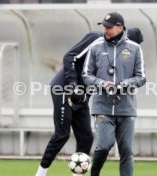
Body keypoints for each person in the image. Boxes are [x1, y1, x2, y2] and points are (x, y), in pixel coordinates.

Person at [35, 26, 144, 176]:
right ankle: (40, 174)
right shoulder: (96, 39)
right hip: (64, 89)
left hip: (83, 98)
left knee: (86, 138)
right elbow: (69, 57)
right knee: (62, 135)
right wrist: (73, 86)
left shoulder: (118, 54)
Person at [82, 12, 146, 176]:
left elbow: (141, 77)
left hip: (126, 108)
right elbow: (86, 75)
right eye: (104, 26)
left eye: (109, 27)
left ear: (120, 27)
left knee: (126, 151)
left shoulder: (135, 48)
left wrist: (124, 84)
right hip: (102, 107)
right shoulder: (95, 47)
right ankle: (94, 172)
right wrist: (102, 83)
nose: (106, 30)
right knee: (104, 145)